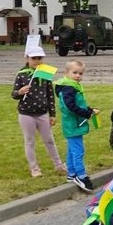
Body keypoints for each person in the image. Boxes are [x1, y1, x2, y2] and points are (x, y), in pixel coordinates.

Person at [11, 46, 66, 177]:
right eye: (33, 58)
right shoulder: (21, 75)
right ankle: (34, 168)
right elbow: (13, 94)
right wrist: (20, 92)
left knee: (49, 140)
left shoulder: (45, 75)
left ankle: (58, 165)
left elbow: (50, 96)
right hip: (26, 114)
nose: (36, 61)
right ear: (27, 58)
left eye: (39, 58)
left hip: (42, 114)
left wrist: (52, 114)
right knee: (29, 141)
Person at [54, 60, 100, 191]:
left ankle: (71, 174)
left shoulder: (72, 86)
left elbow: (79, 104)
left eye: (80, 73)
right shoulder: (68, 88)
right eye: (75, 73)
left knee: (72, 150)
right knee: (78, 151)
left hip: (73, 123)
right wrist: (86, 113)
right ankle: (81, 176)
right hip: (72, 124)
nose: (78, 75)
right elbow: (71, 107)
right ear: (66, 73)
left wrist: (89, 110)